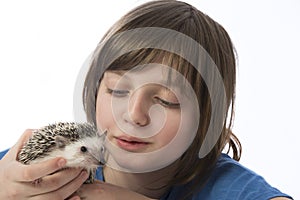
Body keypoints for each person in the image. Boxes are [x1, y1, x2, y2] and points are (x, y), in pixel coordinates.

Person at [0, 0, 293, 199]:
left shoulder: (230, 188)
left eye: (166, 100)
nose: (135, 115)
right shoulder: (23, 167)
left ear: (208, 116)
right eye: (117, 91)